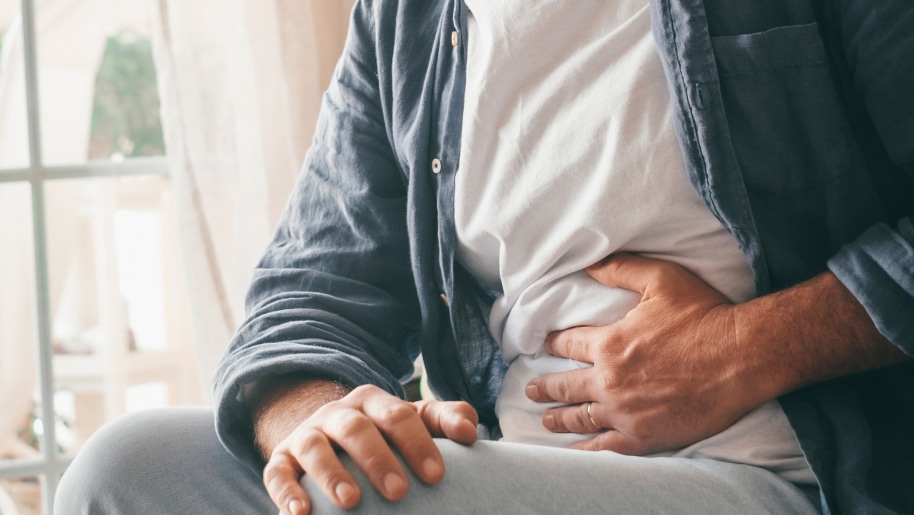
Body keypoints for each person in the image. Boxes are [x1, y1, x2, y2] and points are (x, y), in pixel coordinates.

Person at [56, 0, 914, 514]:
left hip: (774, 474)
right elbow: (311, 285)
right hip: (509, 467)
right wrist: (315, 419)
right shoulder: (408, 18)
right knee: (124, 472)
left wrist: (741, 351)